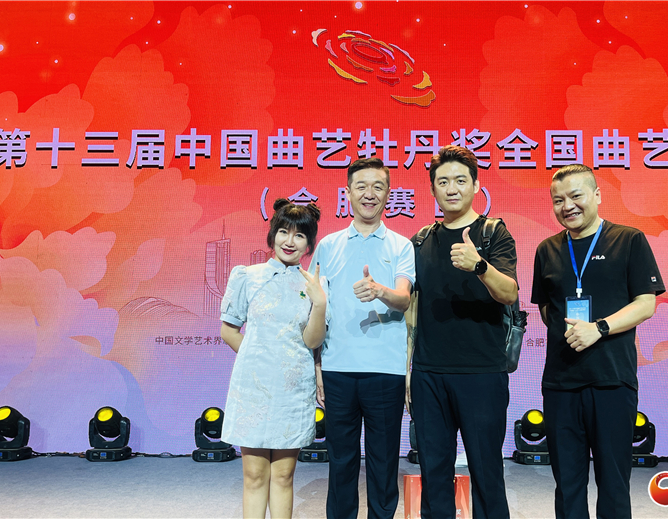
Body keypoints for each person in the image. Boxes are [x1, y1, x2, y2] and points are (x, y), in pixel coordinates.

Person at [531, 164, 665, 519]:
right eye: (558, 200)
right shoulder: (547, 250)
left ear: (597, 195)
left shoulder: (629, 240)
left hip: (612, 382)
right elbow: (546, 309)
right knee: (567, 485)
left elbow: (646, 303)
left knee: (614, 484)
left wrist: (599, 328)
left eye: (576, 196)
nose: (567, 206)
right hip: (560, 384)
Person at [406, 145, 518, 519]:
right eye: (443, 182)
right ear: (432, 189)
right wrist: (408, 371)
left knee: (487, 474)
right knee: (433, 473)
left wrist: (479, 265)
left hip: (482, 373)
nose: (451, 188)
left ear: (475, 185)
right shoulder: (421, 240)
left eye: (459, 180)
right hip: (429, 375)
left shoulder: (493, 232)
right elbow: (411, 311)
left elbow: (509, 293)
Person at [310, 157, 415, 519]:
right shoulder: (328, 246)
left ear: (388, 193)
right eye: (361, 186)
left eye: (378, 187)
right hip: (337, 368)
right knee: (340, 459)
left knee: (384, 461)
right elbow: (315, 308)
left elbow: (404, 299)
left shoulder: (401, 245)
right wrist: (317, 365)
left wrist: (379, 290)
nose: (369, 194)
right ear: (348, 192)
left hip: (385, 370)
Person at [220, 199, 326, 519]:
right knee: (254, 475)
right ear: (273, 235)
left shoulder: (314, 284)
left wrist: (319, 303)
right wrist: (259, 359)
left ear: (309, 243)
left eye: (299, 235)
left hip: (293, 390)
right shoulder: (248, 276)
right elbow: (229, 330)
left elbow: (312, 341)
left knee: (283, 476)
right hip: (253, 388)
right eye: (283, 232)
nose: (289, 241)